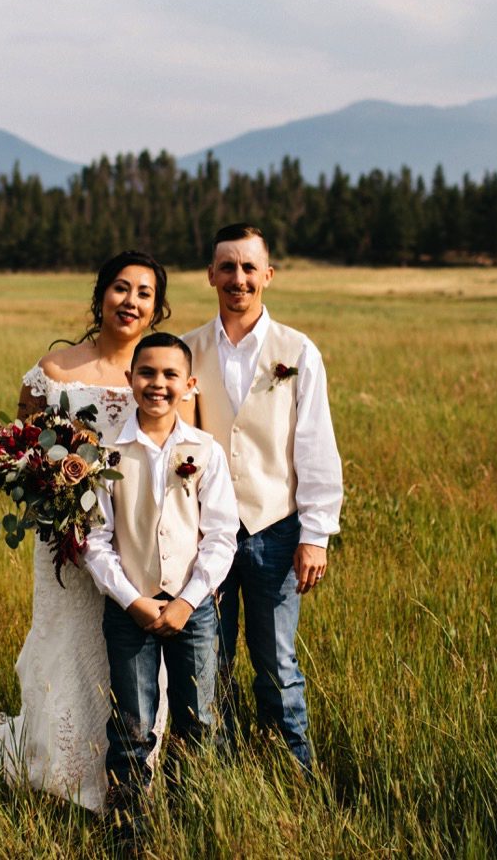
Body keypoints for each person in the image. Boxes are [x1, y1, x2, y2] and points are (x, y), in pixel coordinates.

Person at [0, 250, 171, 812]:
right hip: (63, 541)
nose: (130, 301)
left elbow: (180, 457)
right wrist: (47, 488)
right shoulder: (54, 372)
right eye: (121, 288)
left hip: (137, 542)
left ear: (157, 308)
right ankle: (66, 774)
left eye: (144, 293)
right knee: (67, 647)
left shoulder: (160, 377)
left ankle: (133, 768)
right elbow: (21, 447)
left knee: (127, 653)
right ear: (100, 294)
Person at [182, 223, 343, 771]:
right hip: (207, 533)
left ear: (268, 276)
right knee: (210, 660)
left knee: (277, 661)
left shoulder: (297, 350)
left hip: (276, 529)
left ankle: (295, 774)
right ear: (210, 276)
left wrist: (315, 535)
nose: (238, 278)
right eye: (227, 267)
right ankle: (223, 775)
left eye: (249, 268)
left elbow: (315, 444)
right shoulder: (187, 350)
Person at [82, 332, 238, 849]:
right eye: (147, 373)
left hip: (193, 609)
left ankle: (193, 820)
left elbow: (220, 535)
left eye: (171, 375)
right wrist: (132, 599)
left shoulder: (205, 451)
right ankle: (128, 832)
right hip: (131, 608)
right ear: (130, 380)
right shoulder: (107, 453)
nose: (158, 384)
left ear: (190, 385)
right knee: (132, 723)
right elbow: (95, 540)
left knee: (199, 719)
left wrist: (190, 599)